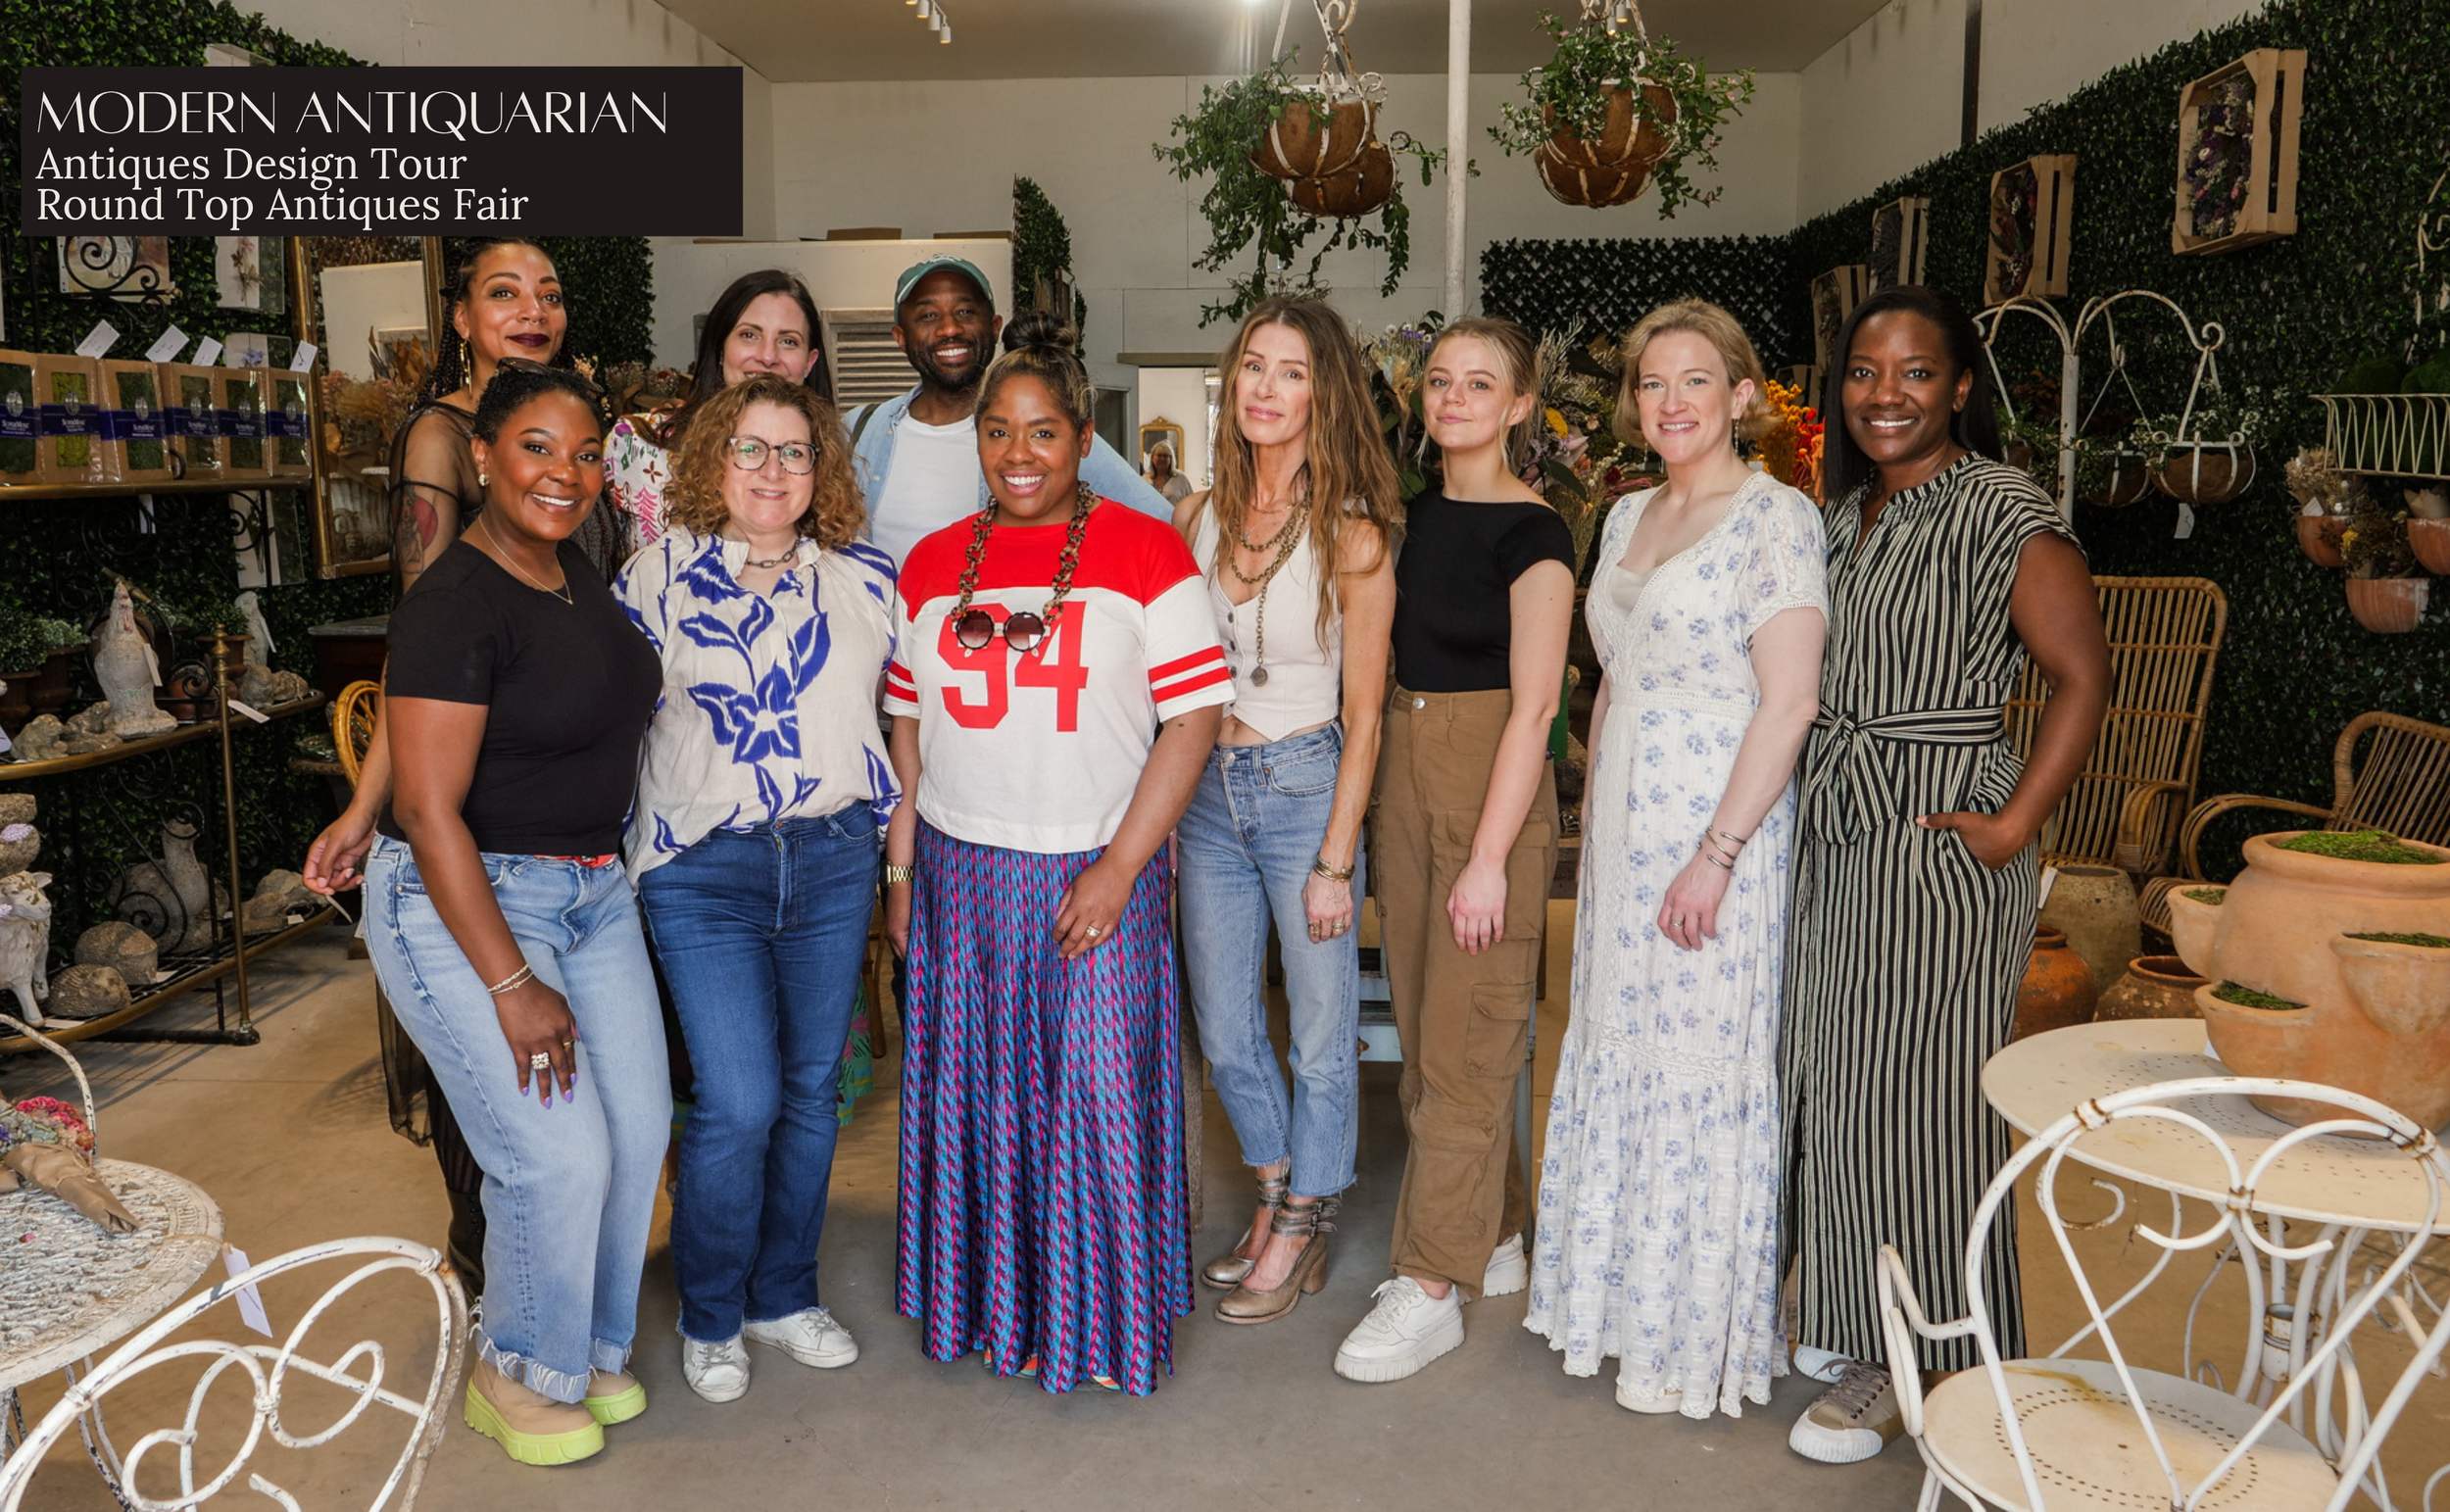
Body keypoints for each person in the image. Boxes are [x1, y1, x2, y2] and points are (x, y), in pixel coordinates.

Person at [1782, 285, 2108, 1464]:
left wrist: (2015, 823)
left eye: (1915, 373)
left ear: (1960, 386)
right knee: (1831, 1076)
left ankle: (1929, 1355)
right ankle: (1848, 1310)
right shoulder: (1839, 514)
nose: (1885, 394)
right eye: (1865, 372)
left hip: (1936, 832)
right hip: (1832, 823)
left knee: (1924, 1103)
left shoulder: (2004, 509)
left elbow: (2081, 677)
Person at [882, 312, 1229, 1394]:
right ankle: (992, 1305)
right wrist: (901, 869)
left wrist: (1124, 865)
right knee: (977, 1100)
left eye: (1042, 431)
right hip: (958, 871)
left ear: (1085, 438)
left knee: (1089, 1100)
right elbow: (907, 725)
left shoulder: (1145, 550)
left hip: (1091, 866)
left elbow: (1194, 720)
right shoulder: (934, 564)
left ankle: (1090, 1323)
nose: (1017, 453)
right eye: (997, 431)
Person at [359, 364, 669, 1467]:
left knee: (637, 1133)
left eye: (585, 454)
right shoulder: (453, 596)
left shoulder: (571, 571)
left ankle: (580, 1347)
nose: (566, 473)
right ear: (483, 454)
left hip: (593, 890)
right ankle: (511, 1371)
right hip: (466, 899)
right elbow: (429, 808)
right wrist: (509, 981)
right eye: (538, 447)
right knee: (555, 1152)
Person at [1524, 300, 1827, 1418]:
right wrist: (1587, 813)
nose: (1671, 402)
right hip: (1619, 839)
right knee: (1616, 1047)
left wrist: (1716, 854)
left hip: (1717, 839)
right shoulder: (1623, 518)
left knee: (1695, 1064)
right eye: (1652, 384)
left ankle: (1689, 1327)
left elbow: (1789, 701)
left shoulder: (1775, 518)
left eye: (1695, 380)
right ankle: (1610, 1305)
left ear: (1742, 396)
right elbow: (1609, 681)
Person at [614, 376, 896, 1404]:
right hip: (704, 871)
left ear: (821, 467)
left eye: (793, 450)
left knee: (812, 1094)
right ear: (710, 462)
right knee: (738, 1100)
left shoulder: (867, 578)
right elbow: (604, 720)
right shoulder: (655, 576)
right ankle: (711, 1308)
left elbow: (912, 715)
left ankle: (785, 1294)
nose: (771, 470)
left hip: (831, 858)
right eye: (748, 448)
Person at [318, 238, 577, 1297]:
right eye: (504, 292)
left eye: (549, 294)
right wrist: (370, 802)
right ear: (460, 317)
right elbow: (419, 640)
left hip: (553, 783)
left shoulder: (564, 427)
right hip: (471, 789)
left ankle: (542, 1258)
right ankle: (486, 1272)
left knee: (549, 1059)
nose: (532, 309)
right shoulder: (442, 436)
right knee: (484, 1046)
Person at [1336, 317, 1575, 1384]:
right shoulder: (1403, 518)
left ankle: (1432, 1282)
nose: (1456, 397)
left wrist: (1489, 857)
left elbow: (1533, 713)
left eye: (1482, 383)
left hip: (1492, 788)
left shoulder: (1538, 535)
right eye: (1441, 381)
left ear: (1519, 405)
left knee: (1470, 1044)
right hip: (1404, 781)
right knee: (1435, 1038)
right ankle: (1501, 1228)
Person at [1174, 297, 1397, 1325]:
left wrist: (1337, 858)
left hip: (1306, 787)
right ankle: (1272, 1197)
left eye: (1291, 371)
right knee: (1223, 1029)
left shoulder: (1352, 533)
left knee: (1318, 1032)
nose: (1265, 388)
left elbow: (1364, 715)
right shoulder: (1201, 513)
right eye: (1252, 367)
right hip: (1208, 799)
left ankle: (1306, 1219)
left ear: (1325, 391)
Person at [846, 256, 1172, 566]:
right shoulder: (860, 430)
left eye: (965, 311)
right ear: (901, 337)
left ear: (994, 326)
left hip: (998, 623)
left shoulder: (1051, 437)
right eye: (928, 315)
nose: (949, 329)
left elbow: (1162, 521)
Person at [605, 268, 826, 557]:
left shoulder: (828, 461)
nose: (768, 357)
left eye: (788, 341)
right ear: (720, 348)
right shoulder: (637, 445)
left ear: (809, 363)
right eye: (749, 335)